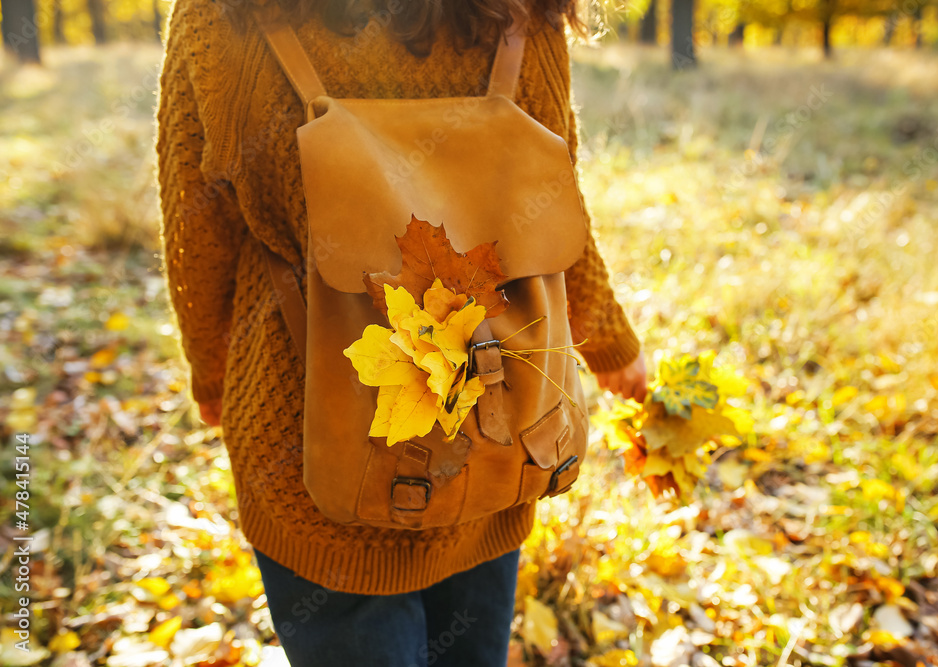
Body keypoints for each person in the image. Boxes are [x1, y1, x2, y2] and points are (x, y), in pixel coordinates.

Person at [155, 0, 648, 663]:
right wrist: (611, 346)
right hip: (491, 427)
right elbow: (552, 193)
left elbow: (198, 222)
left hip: (301, 441)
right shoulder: (516, 11)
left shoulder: (219, 16)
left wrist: (212, 372)